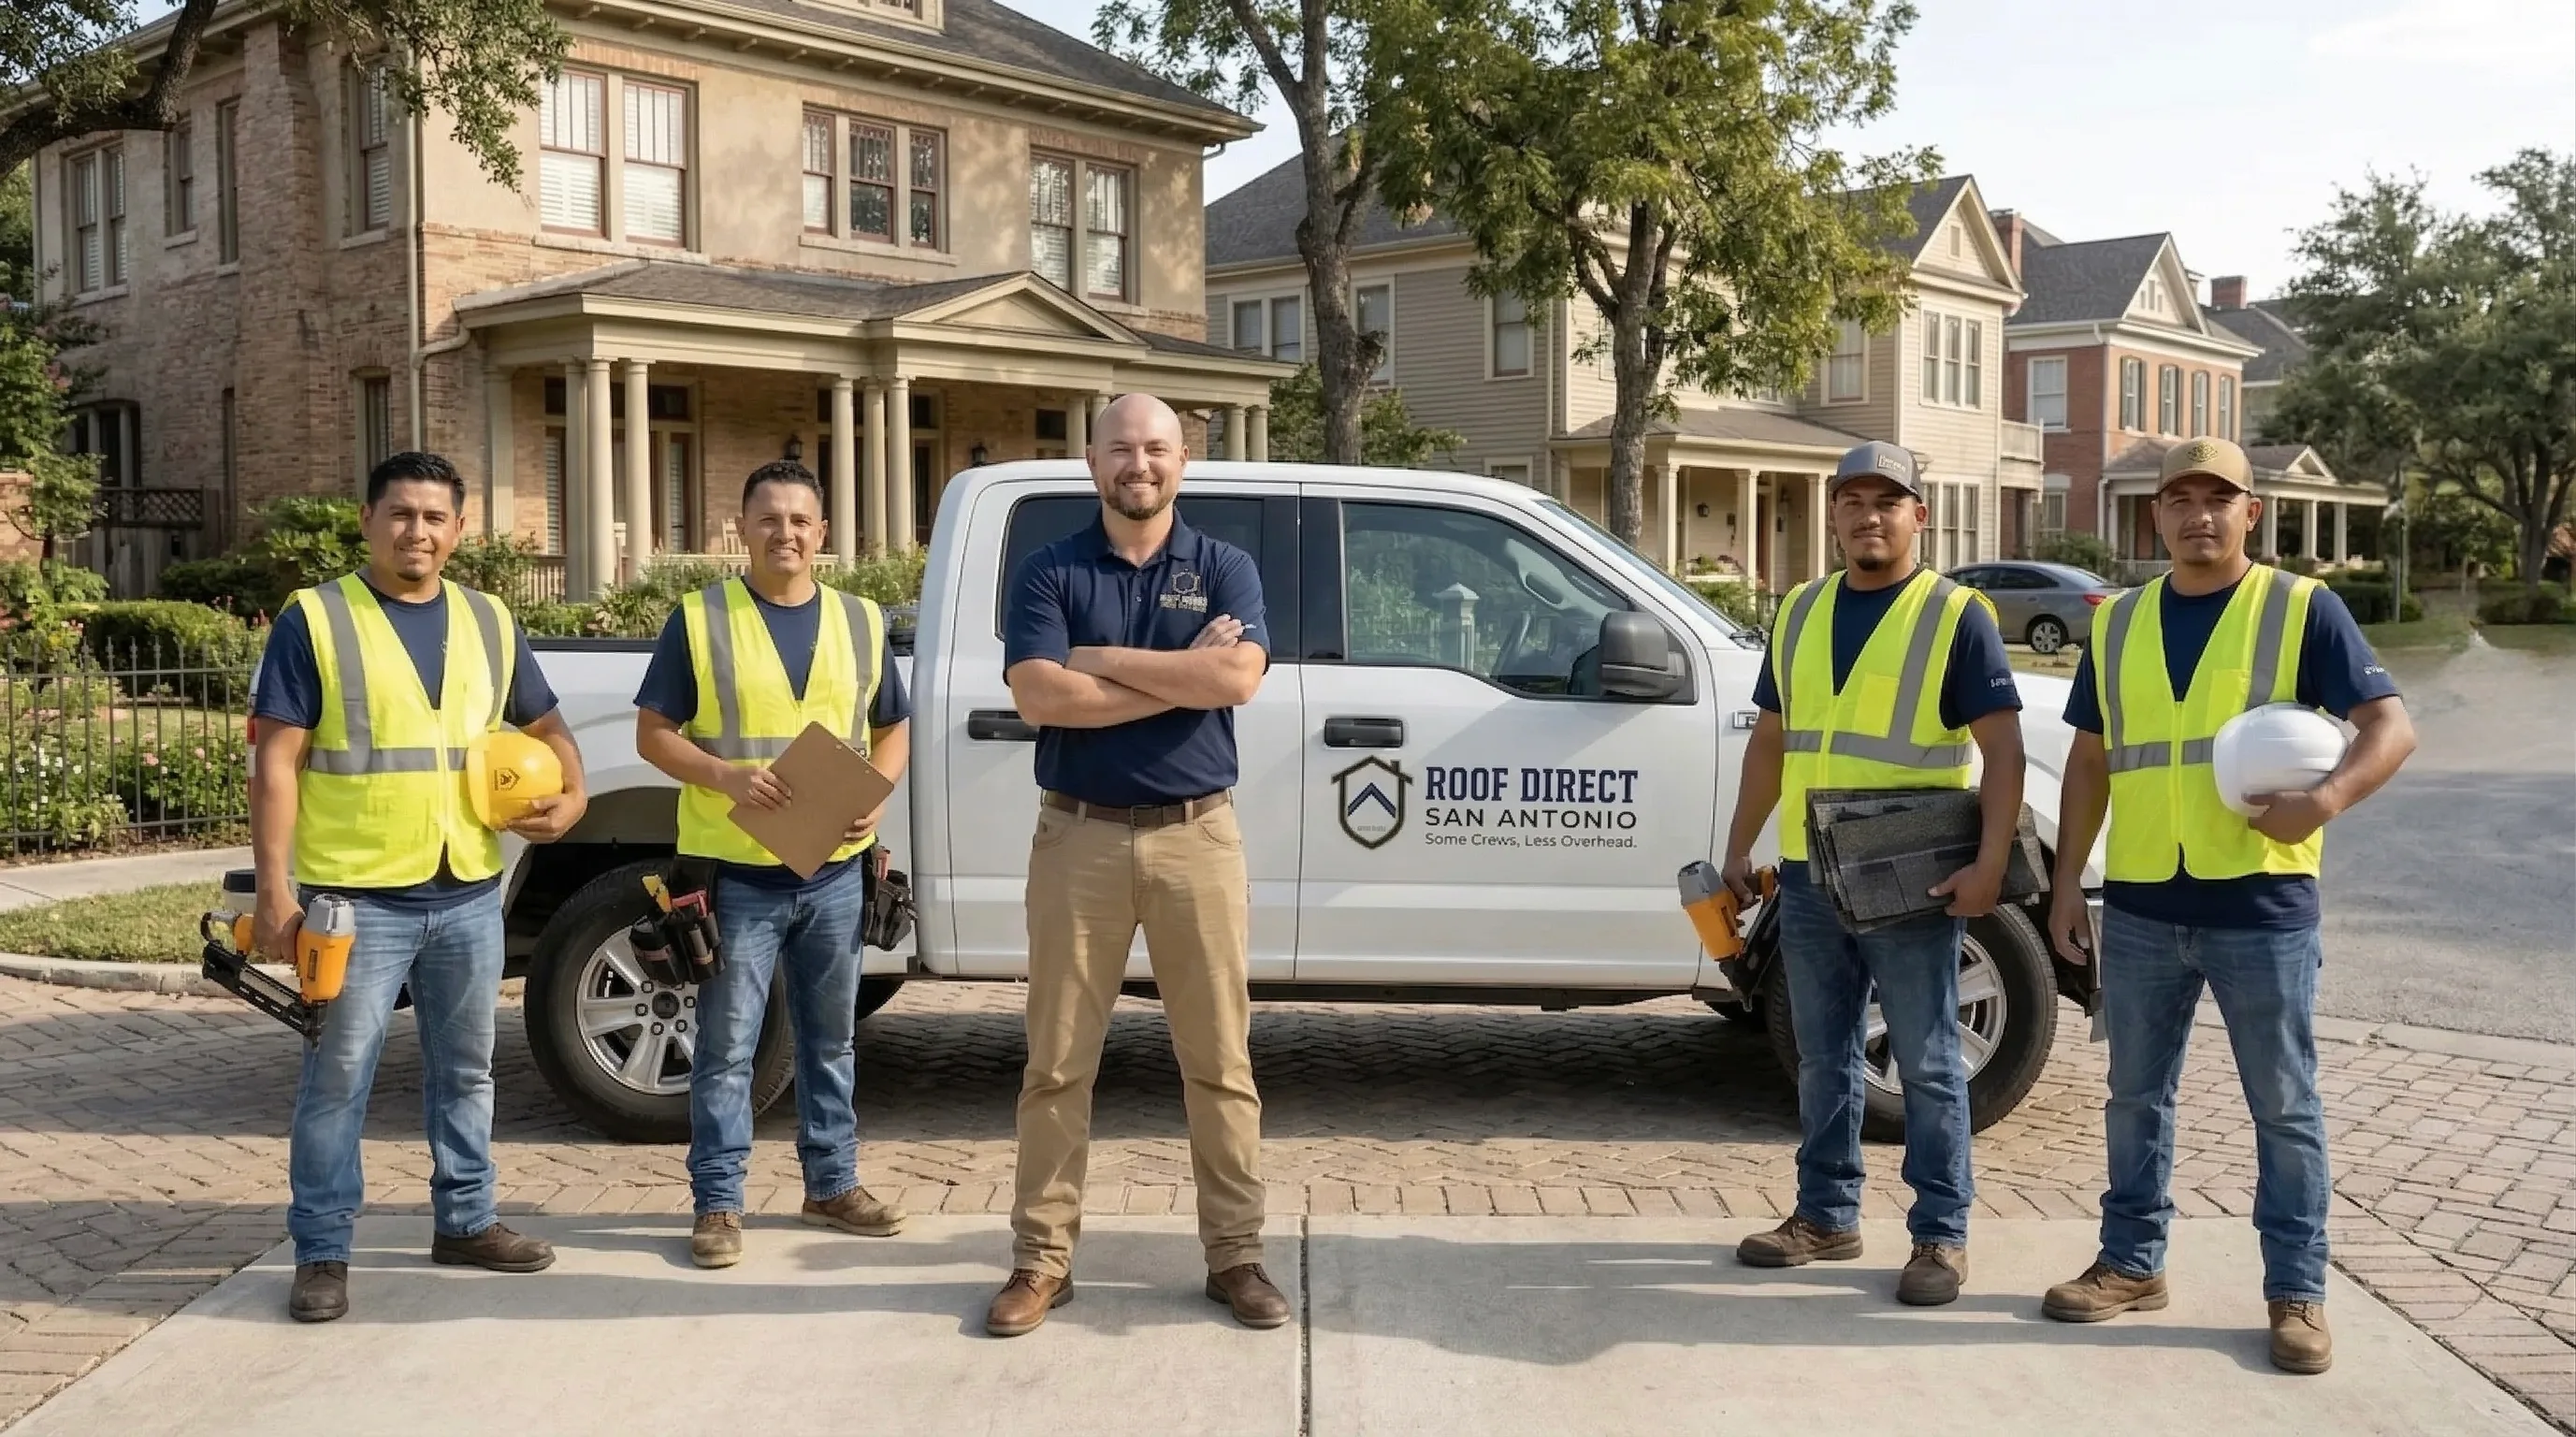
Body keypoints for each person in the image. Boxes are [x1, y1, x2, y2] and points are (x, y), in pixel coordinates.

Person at [2039, 438, 2415, 1374]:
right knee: (2134, 1097)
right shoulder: (2118, 622)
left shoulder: (2300, 609)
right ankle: (2130, 1264)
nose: (2198, 515)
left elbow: (2391, 726)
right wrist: (2064, 886)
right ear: (2155, 514)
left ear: (2252, 511)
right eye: (2179, 498)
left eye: (2219, 498)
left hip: (2262, 904)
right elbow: (2090, 760)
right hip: (2139, 905)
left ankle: (2297, 1294)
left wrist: (2326, 799)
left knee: (2283, 1105)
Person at [250, 451, 589, 1324]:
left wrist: (575, 790)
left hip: (467, 887)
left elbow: (546, 723)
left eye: (435, 517)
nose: (418, 532)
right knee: (339, 1079)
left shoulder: (487, 618)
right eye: (401, 514)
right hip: (353, 897)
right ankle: (322, 1250)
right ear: (366, 520)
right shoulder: (316, 620)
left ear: (459, 530)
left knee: (467, 1070)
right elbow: (276, 764)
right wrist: (274, 894)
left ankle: (467, 1219)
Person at [985, 394, 1277, 1338]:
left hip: (1200, 837)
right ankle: (1041, 1262)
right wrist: (1170, 675)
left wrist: (1101, 661)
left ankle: (1235, 1255)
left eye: (1155, 449)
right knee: (1057, 1063)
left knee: (1220, 1061)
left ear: (1182, 462)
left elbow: (1235, 679)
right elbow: (1040, 696)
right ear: (1091, 461)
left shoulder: (1224, 565)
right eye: (1121, 449)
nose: (1138, 464)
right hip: (1080, 838)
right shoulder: (1049, 567)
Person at [1719, 440, 2026, 1307]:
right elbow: (1772, 741)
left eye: (1887, 501)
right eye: (1852, 501)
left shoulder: (1955, 614)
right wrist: (1742, 847)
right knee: (1824, 1054)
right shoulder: (1802, 612)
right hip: (1812, 873)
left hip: (1911, 875)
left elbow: (2002, 751)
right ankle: (1825, 1215)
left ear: (1918, 516)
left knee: (1929, 1061)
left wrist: (1991, 863)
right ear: (1834, 517)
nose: (1869, 516)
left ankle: (1940, 1235)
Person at [633, 458, 912, 1270]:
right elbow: (653, 733)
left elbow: (890, 725)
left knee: (832, 1041)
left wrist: (881, 790)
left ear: (821, 535)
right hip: (737, 872)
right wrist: (723, 775)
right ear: (741, 529)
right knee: (727, 1047)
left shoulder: (860, 620)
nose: (785, 533)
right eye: (769, 519)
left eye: (800, 520)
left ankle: (832, 1185)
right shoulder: (701, 618)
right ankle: (718, 1205)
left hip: (834, 868)